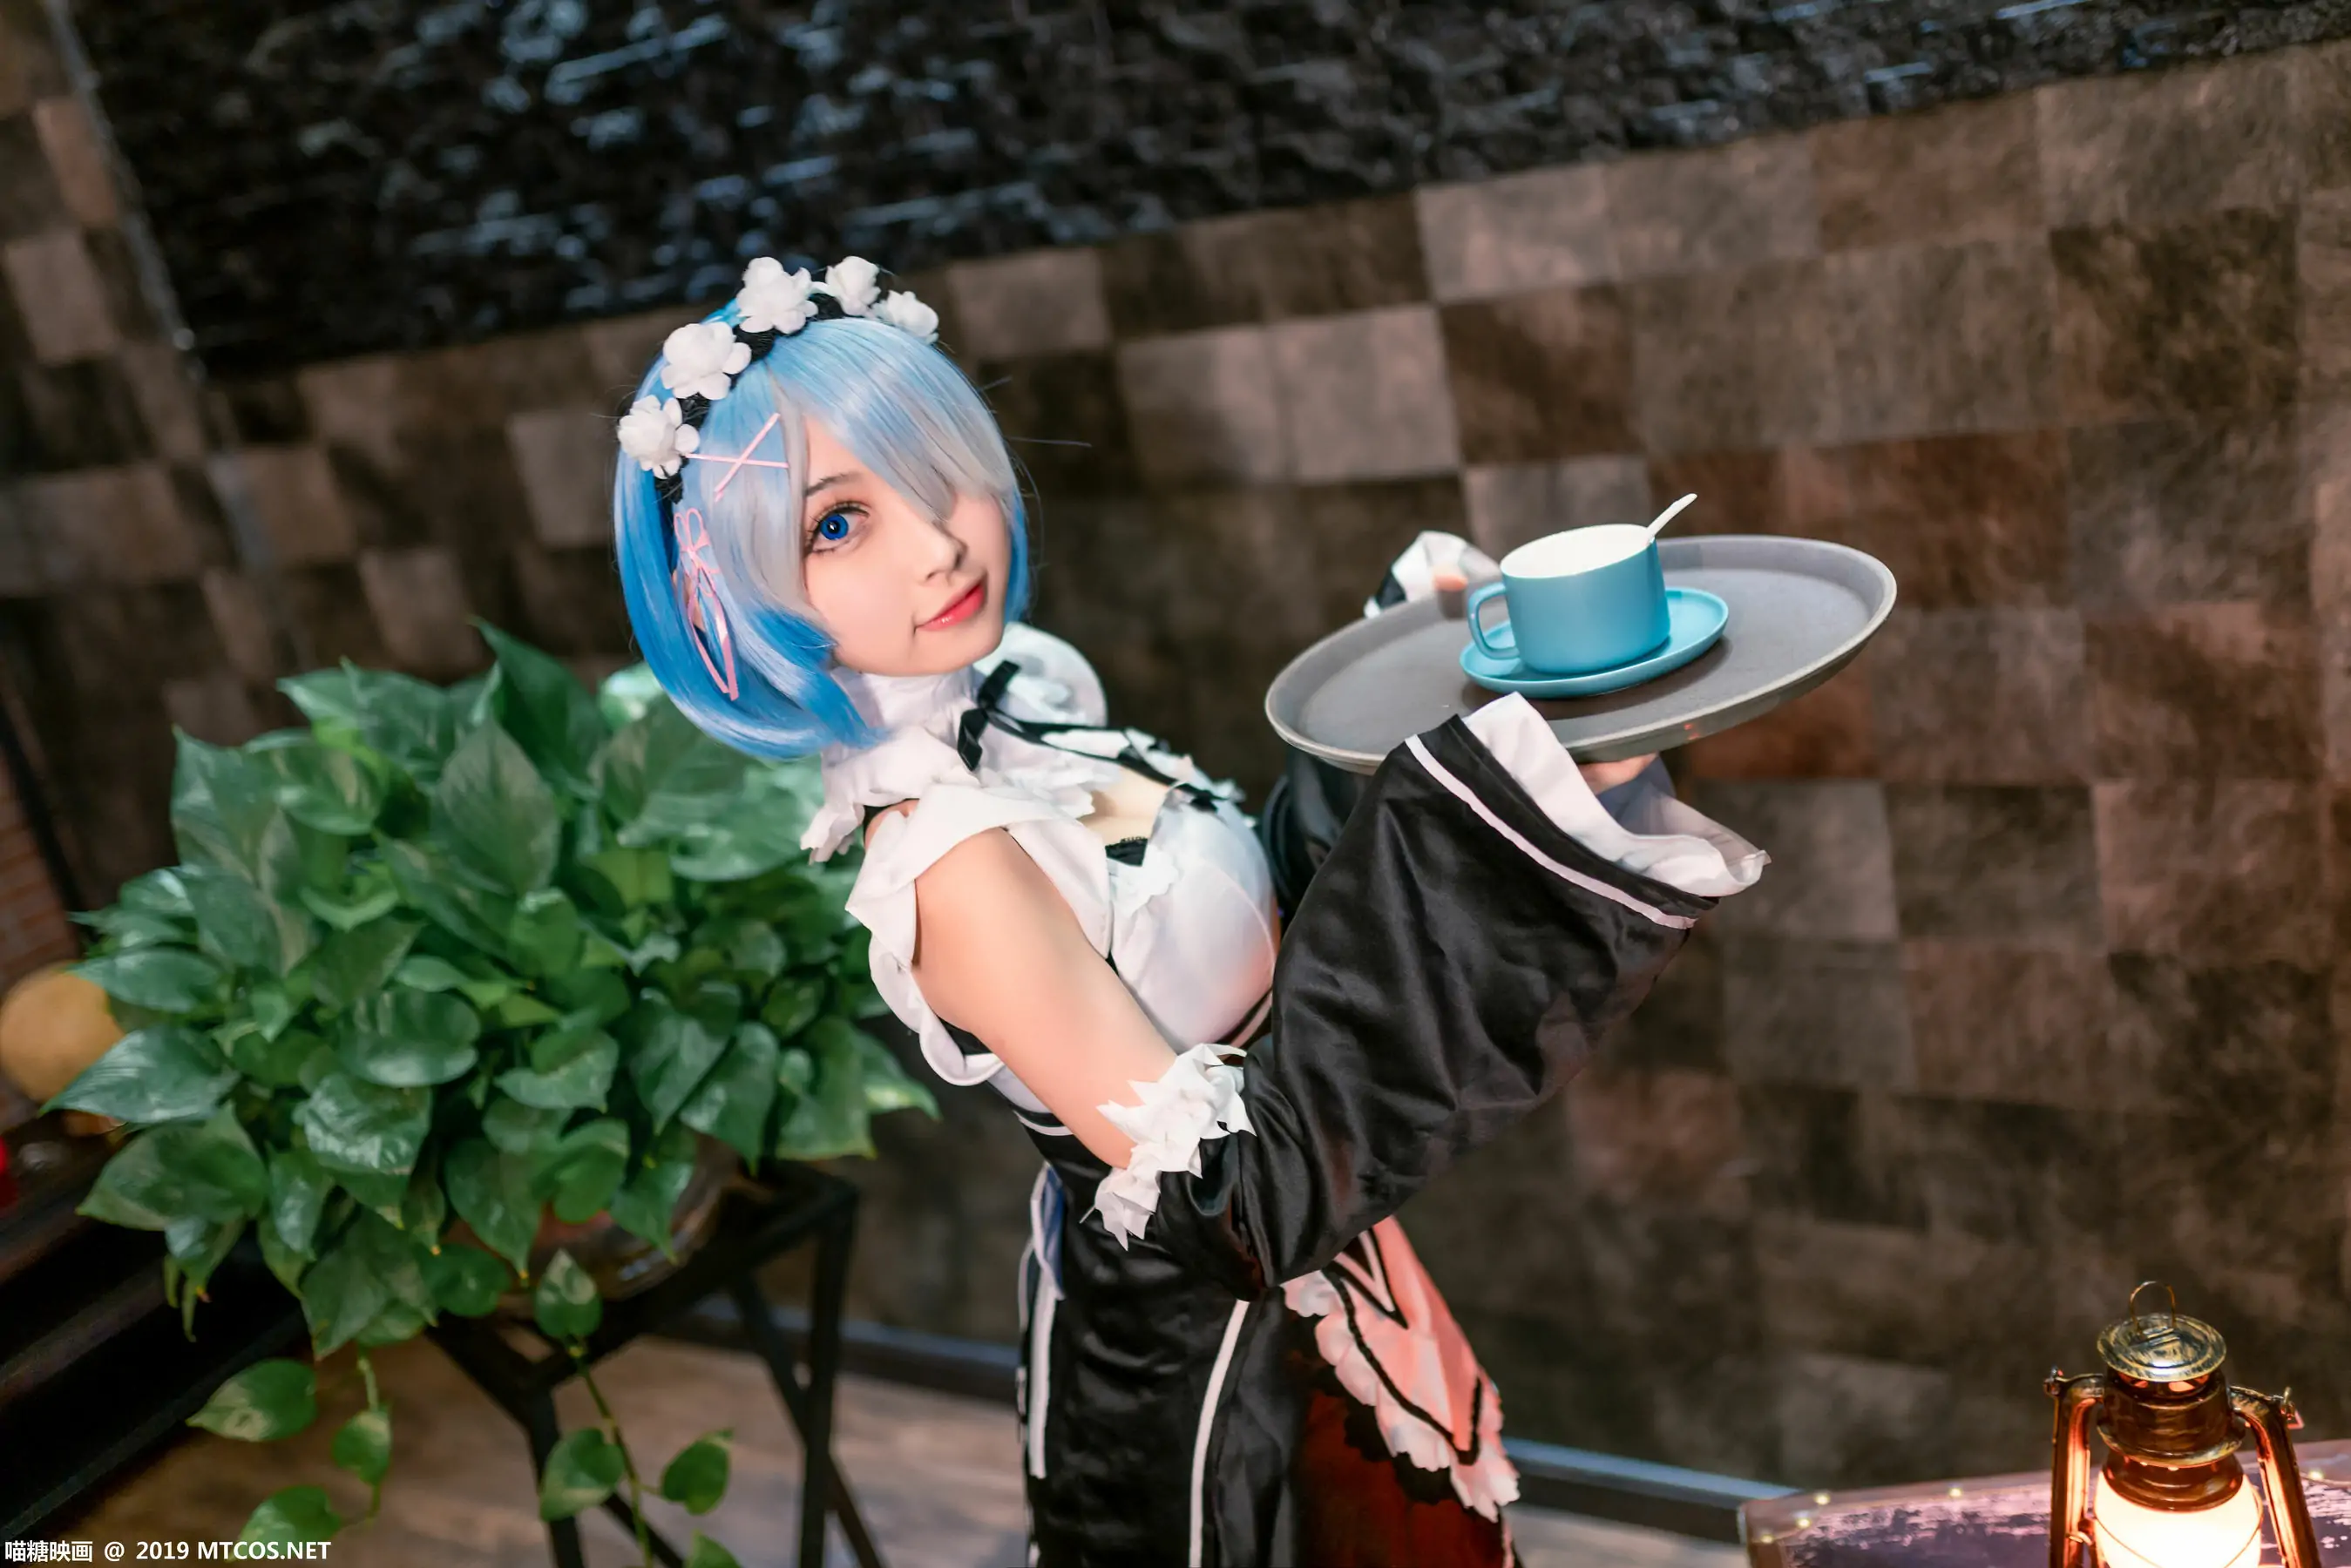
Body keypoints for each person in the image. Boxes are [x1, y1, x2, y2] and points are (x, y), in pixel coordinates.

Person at [611, 256, 1769, 1567]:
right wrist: (1503, 822)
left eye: (935, 467)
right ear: (732, 596)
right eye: (836, 525)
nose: (938, 541)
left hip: (1306, 1288)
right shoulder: (954, 865)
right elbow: (1239, 1202)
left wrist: (1424, 681)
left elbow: (1241, 926)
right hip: (1218, 1371)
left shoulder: (1020, 690)